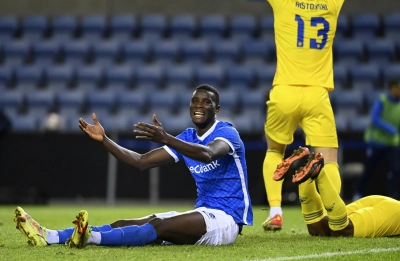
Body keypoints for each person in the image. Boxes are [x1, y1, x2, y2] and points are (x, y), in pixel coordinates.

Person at [14, 84, 253, 247]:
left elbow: (209, 154)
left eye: (207, 102)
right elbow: (141, 162)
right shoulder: (188, 137)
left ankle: (90, 237)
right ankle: (49, 235)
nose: (199, 105)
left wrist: (167, 138)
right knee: (125, 223)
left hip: (227, 220)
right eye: (195, 101)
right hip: (202, 212)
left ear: (217, 109)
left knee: (157, 226)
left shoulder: (227, 132)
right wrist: (105, 141)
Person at [261, 0, 346, 231]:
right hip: (317, 93)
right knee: (328, 160)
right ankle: (334, 216)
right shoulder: (332, 4)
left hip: (284, 90)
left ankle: (275, 212)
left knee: (274, 151)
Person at [277, 147, 400, 237]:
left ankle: (303, 165)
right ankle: (320, 172)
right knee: (343, 230)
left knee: (318, 228)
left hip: (386, 204)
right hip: (396, 212)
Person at [353, 80, 400, 201]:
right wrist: (390, 129)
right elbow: (375, 119)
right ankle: (358, 194)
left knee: (395, 170)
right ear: (392, 88)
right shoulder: (382, 100)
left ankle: (392, 198)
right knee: (369, 170)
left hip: (392, 143)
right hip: (377, 142)